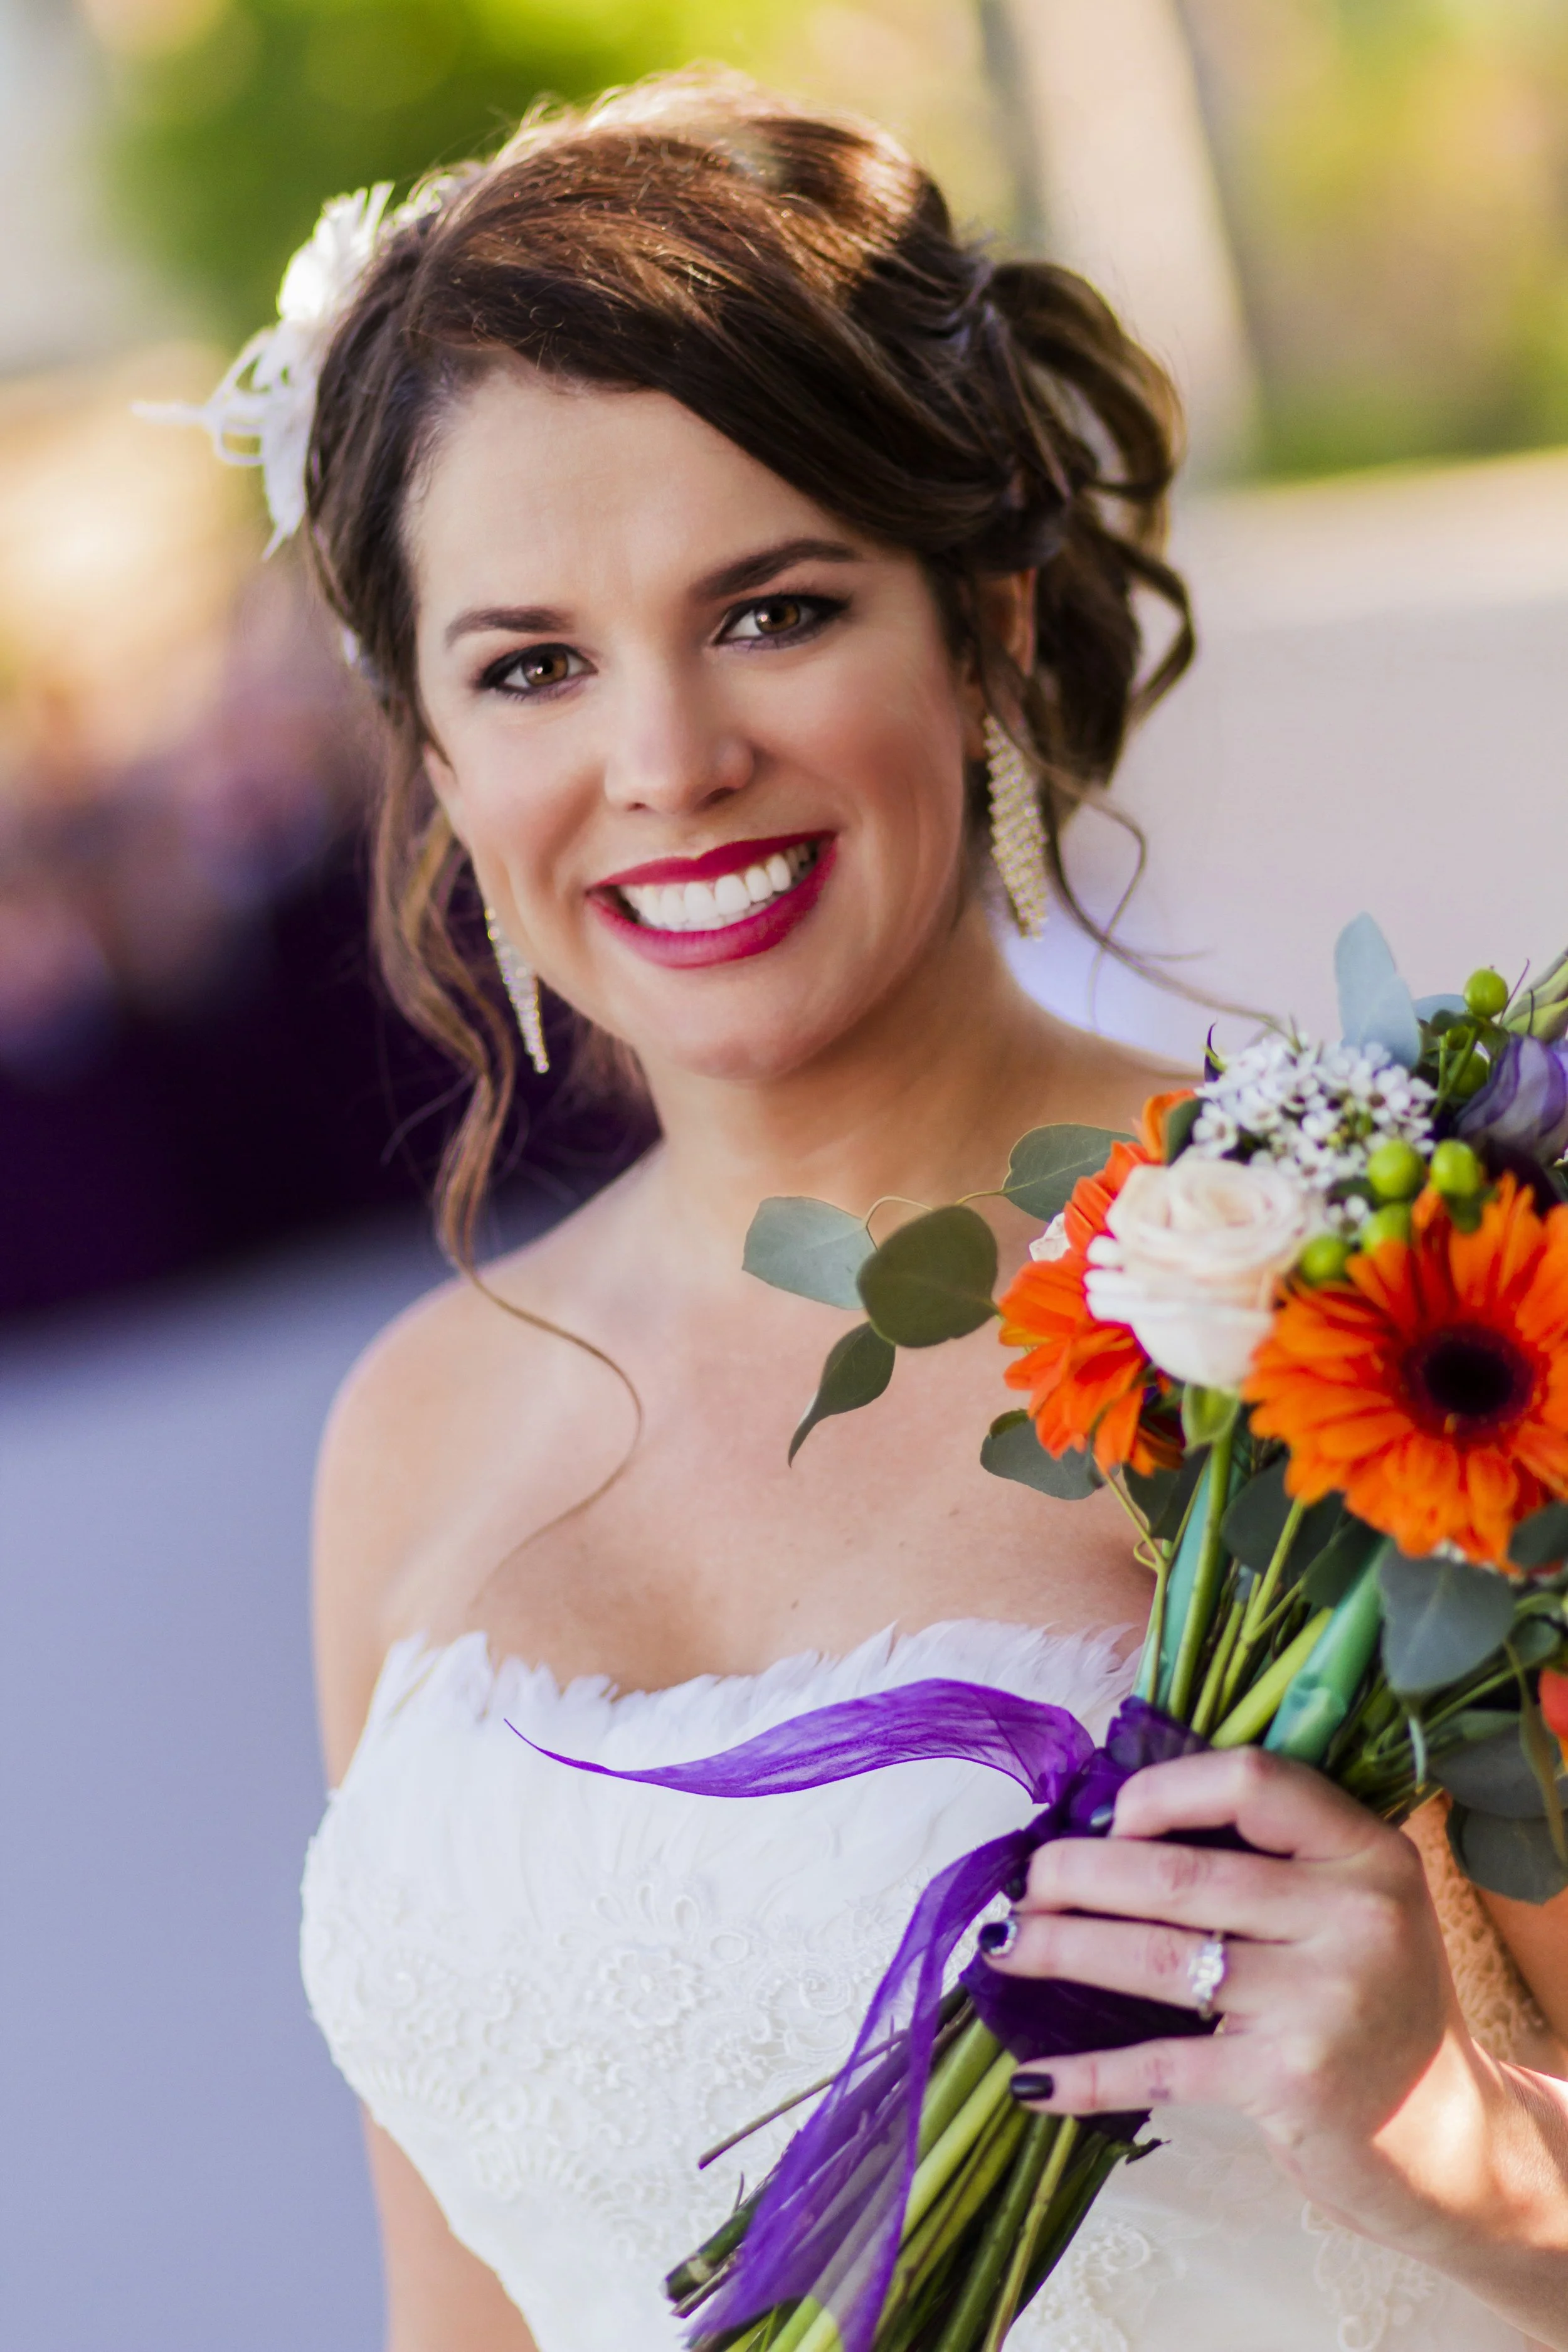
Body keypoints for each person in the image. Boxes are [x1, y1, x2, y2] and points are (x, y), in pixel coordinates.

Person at [174, 68, 1567, 2351]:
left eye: (772, 608)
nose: (664, 759)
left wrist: (1464, 2144)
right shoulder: (417, 1429)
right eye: (531, 663)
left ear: (985, 623)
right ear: (435, 757)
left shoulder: (1395, 1299)